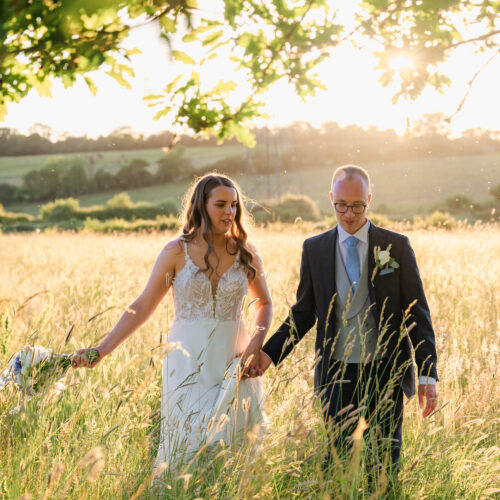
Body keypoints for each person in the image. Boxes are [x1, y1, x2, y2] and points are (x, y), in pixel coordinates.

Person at [72, 173, 272, 471]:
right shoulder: (175, 252)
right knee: (186, 448)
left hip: (234, 361)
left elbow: (265, 304)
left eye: (234, 205)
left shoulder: (246, 251)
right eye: (220, 204)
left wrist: (256, 346)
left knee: (233, 450)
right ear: (201, 206)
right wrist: (102, 350)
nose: (229, 212)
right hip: (186, 362)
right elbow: (142, 306)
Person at [251, 165, 438, 475]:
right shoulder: (315, 249)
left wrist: (428, 375)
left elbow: (417, 313)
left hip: (386, 373)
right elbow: (304, 311)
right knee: (337, 467)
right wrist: (268, 354)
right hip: (335, 376)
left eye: (357, 206)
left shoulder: (396, 246)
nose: (349, 214)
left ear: (369, 199)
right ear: (331, 199)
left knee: (383, 467)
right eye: (341, 206)